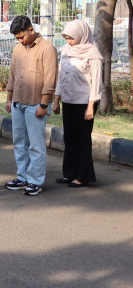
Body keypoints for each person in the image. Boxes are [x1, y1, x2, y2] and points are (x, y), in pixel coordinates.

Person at [4, 15, 58, 196]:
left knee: (36, 145)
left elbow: (50, 79)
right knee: (19, 143)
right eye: (17, 38)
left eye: (22, 37)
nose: (20, 41)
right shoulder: (18, 49)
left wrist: (44, 104)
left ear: (31, 30)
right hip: (17, 103)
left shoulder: (47, 49)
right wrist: (9, 99)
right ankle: (22, 177)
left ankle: (35, 181)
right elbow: (13, 75)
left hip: (36, 104)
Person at [53, 19, 102, 188]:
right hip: (68, 101)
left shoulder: (93, 54)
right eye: (66, 38)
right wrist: (56, 99)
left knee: (82, 139)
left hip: (84, 103)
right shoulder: (66, 51)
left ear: (82, 35)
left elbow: (96, 83)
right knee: (69, 138)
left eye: (71, 38)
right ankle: (70, 173)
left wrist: (91, 106)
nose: (69, 41)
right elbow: (61, 76)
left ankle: (83, 176)